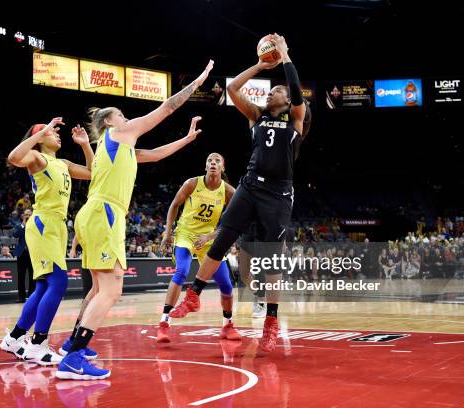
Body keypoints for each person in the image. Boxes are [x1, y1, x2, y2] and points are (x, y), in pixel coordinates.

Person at [56, 59, 214, 381]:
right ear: (110, 121)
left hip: (93, 213)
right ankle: (73, 358)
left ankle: (73, 344)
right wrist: (198, 81)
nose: (128, 118)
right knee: (112, 291)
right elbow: (168, 106)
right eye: (121, 114)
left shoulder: (112, 147)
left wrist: (186, 140)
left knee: (98, 288)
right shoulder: (120, 131)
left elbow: (154, 154)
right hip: (105, 213)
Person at [171, 35, 309, 352]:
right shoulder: (256, 118)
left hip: (277, 194)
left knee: (273, 261)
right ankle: (193, 296)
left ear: (287, 103)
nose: (271, 92)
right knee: (221, 239)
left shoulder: (297, 121)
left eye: (277, 91)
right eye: (271, 89)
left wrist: (286, 56)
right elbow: (233, 90)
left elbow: (297, 91)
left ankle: (271, 323)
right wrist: (260, 65)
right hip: (250, 185)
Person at [0, 118, 94, 366]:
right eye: (52, 133)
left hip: (58, 225)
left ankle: (16, 337)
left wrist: (85, 145)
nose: (57, 135)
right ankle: (38, 343)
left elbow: (94, 173)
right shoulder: (36, 158)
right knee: (59, 282)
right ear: (40, 138)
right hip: (43, 223)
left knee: (43, 286)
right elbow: (13, 157)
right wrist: (40, 132)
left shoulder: (62, 163)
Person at [156, 153, 239, 343]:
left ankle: (228, 325)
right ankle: (163, 323)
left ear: (222, 168)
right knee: (182, 270)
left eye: (217, 161)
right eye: (210, 160)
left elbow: (233, 221)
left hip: (208, 238)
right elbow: (174, 205)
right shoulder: (192, 183)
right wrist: (168, 233)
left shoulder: (228, 192)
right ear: (205, 166)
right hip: (186, 234)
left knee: (226, 284)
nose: (213, 163)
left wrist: (210, 236)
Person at [13, 208, 34, 303]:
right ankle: (21, 297)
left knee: (32, 275)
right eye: (26, 214)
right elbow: (15, 235)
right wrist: (23, 225)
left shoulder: (34, 226)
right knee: (20, 276)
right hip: (21, 253)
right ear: (23, 216)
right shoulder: (19, 225)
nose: (28, 216)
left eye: (29, 214)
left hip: (32, 253)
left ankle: (32, 296)